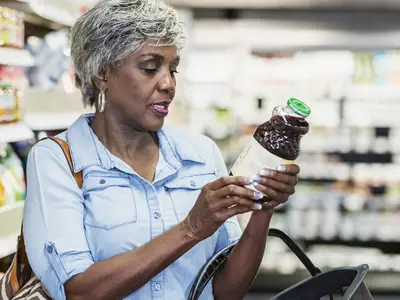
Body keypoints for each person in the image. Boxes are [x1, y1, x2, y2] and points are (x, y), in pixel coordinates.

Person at [23, 0, 300, 299]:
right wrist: (191, 228)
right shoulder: (58, 160)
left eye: (173, 69)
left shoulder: (201, 154)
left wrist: (262, 209)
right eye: (150, 68)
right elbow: (79, 292)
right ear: (102, 72)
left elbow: (225, 292)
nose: (168, 84)